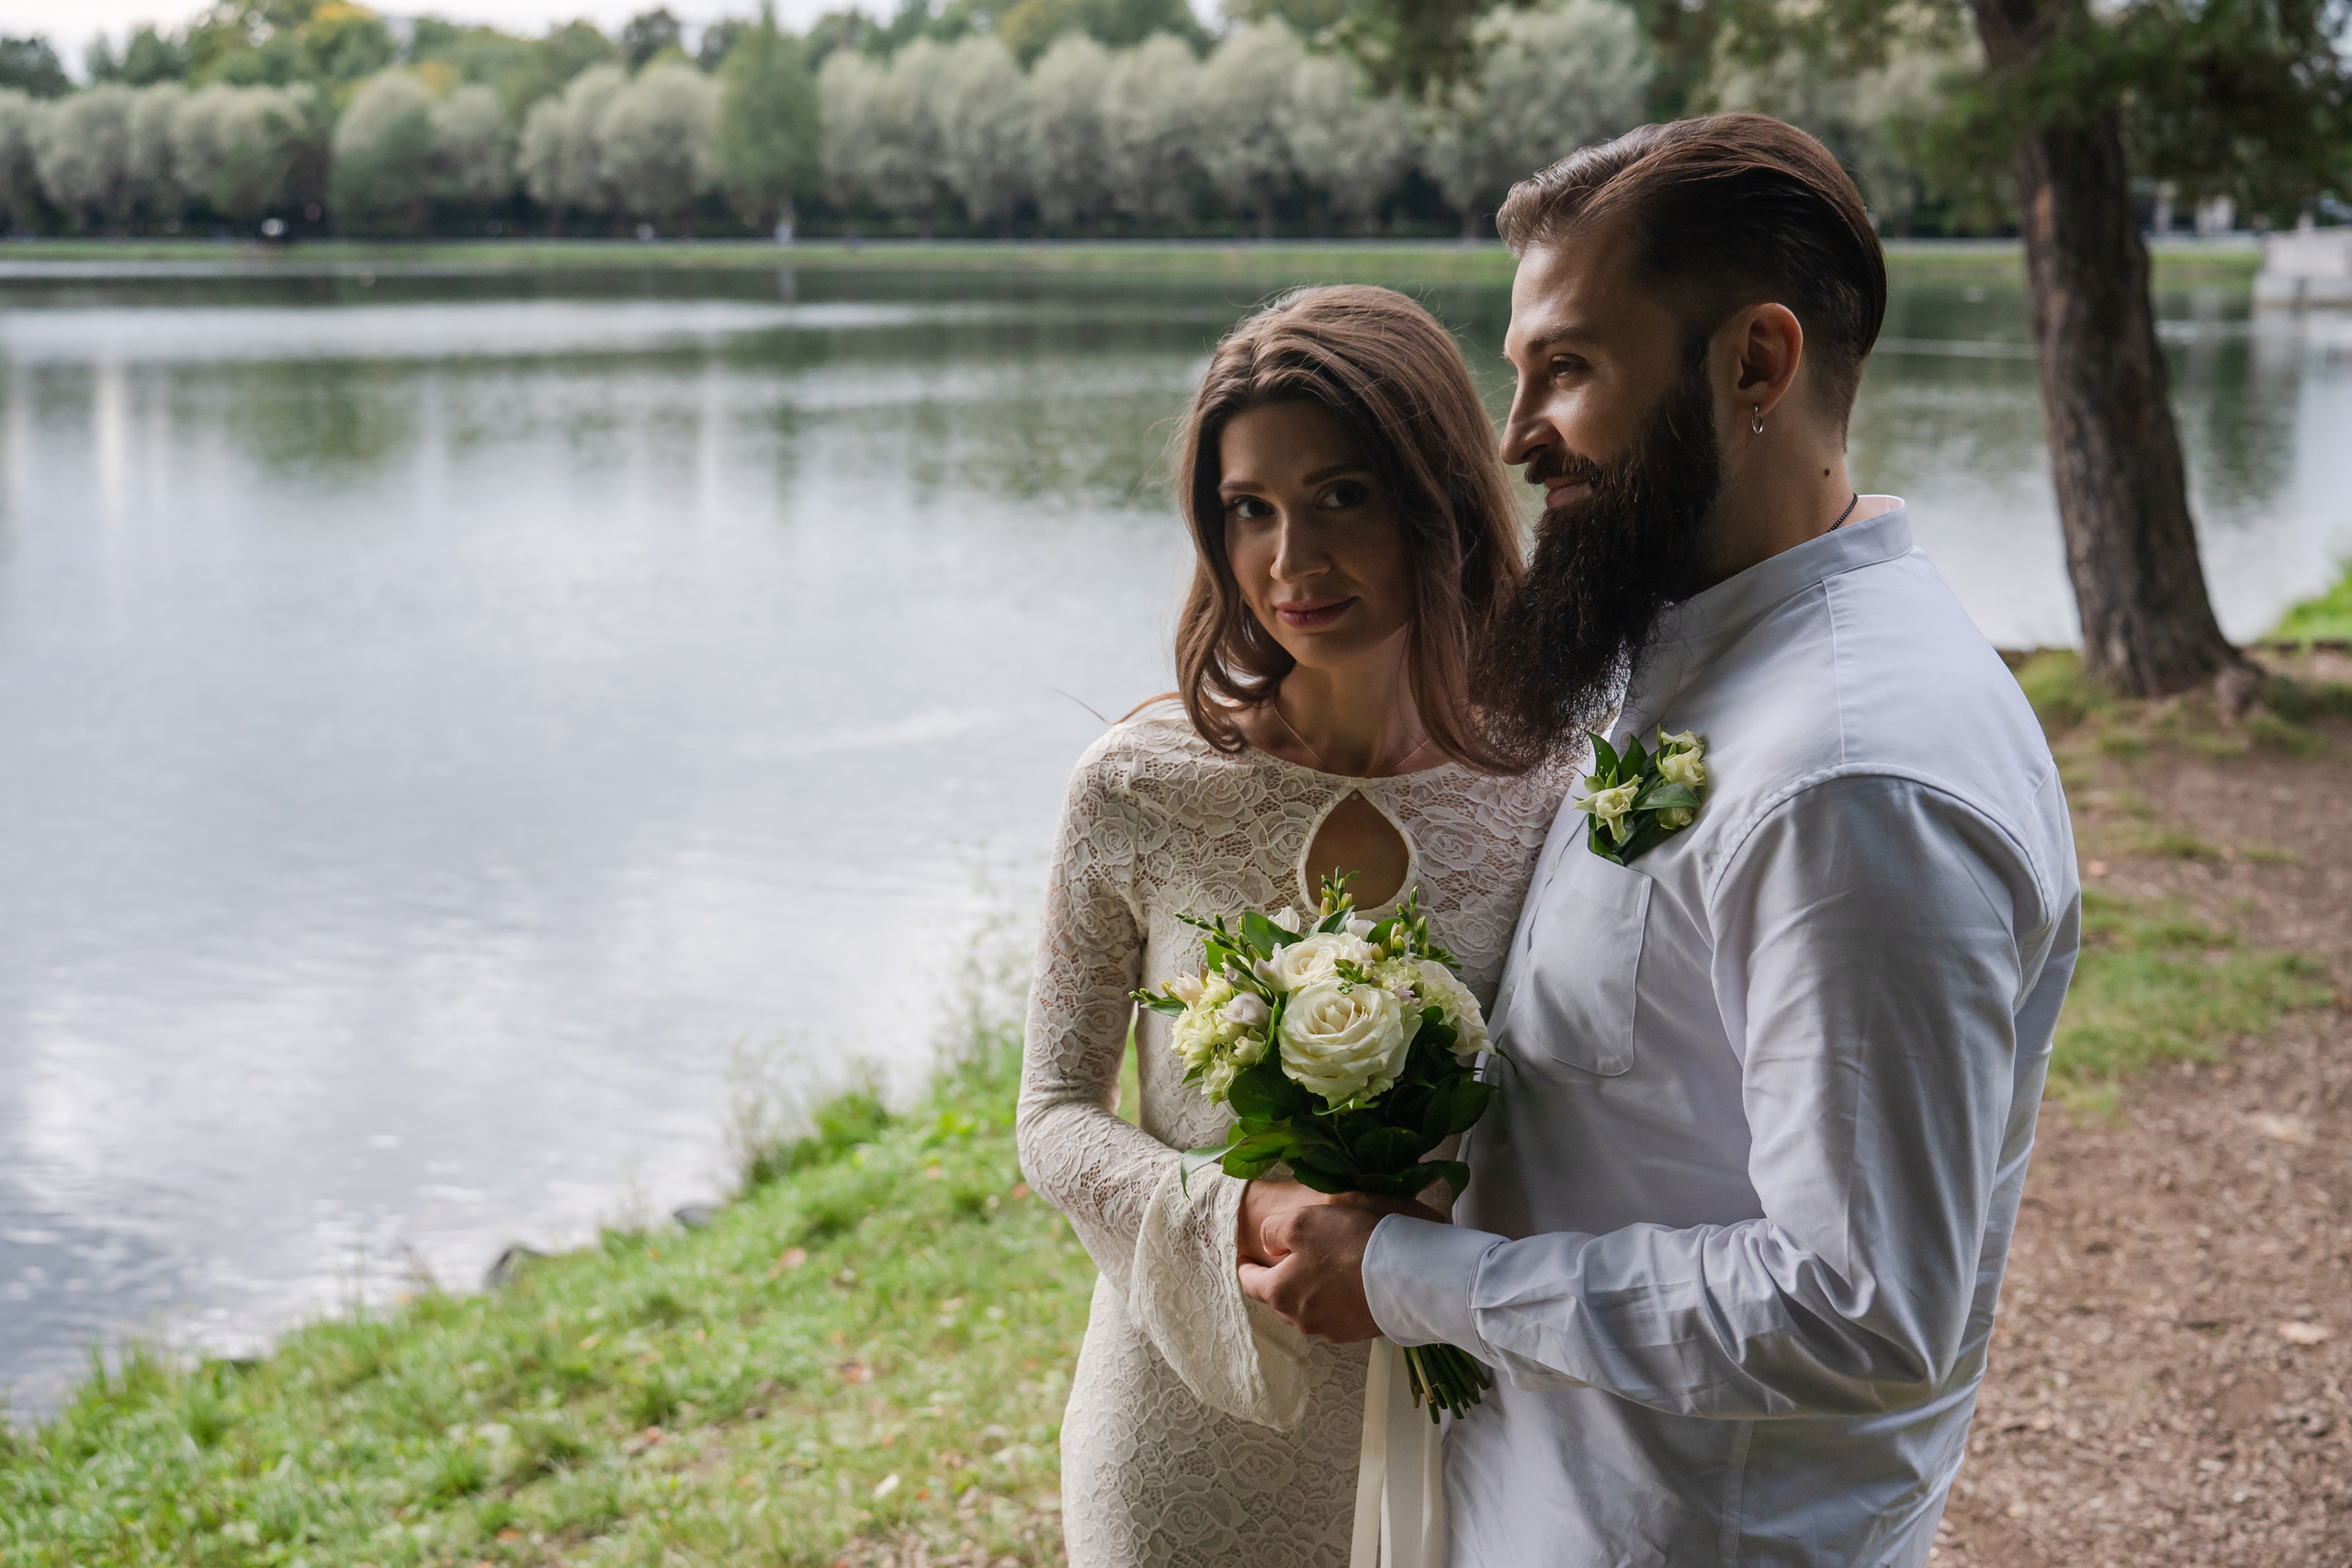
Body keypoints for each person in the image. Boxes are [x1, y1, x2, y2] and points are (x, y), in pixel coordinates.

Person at [1238, 116, 2083, 1566]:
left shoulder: (1850, 780)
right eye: (1520, 375)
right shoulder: (1691, 649)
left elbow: (1859, 1312)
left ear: (1755, 363)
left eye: (1566, 367)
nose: (1515, 436)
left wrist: (1413, 1275)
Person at [1017, 285, 1569, 1568]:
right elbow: (1052, 1121)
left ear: (1435, 495)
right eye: (1248, 510)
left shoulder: (1552, 787)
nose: (1290, 563)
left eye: (1341, 498)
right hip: (1183, 1420)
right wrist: (1250, 1211)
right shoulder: (1137, 786)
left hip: (1468, 1415)